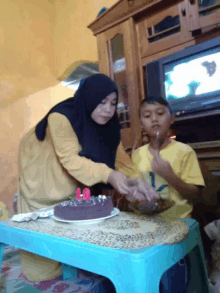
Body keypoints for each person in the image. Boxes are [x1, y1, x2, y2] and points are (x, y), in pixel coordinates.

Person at [17, 74, 159, 282]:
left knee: (73, 235)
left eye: (112, 103)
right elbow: (71, 159)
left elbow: (120, 160)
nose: (108, 110)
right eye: (101, 102)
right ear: (89, 98)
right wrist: (109, 175)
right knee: (43, 265)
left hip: (70, 178)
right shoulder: (61, 117)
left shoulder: (108, 125)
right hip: (40, 172)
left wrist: (138, 184)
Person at [130, 96, 206, 292]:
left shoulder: (184, 151)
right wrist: (133, 196)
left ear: (171, 119)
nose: (154, 119)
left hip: (177, 226)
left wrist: (168, 174)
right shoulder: (136, 155)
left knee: (174, 280)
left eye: (160, 114)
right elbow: (132, 191)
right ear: (141, 123)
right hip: (145, 228)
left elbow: (195, 196)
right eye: (147, 115)